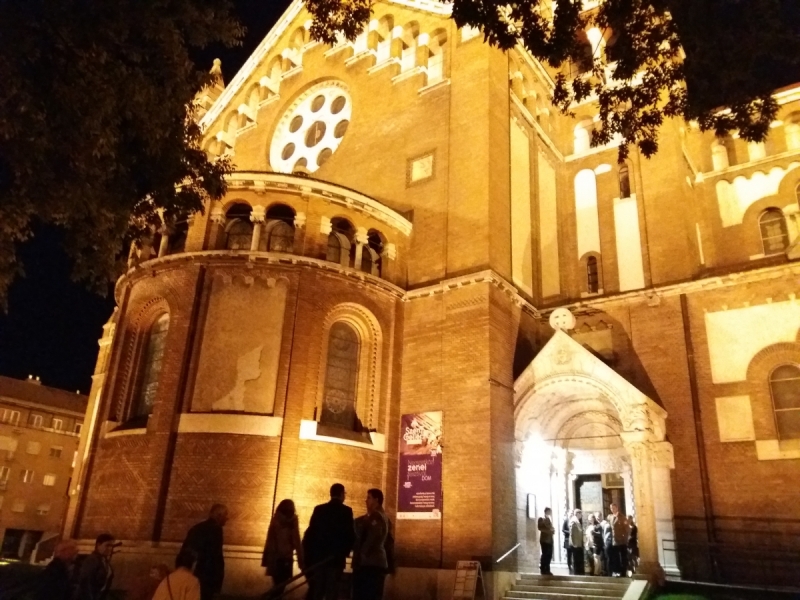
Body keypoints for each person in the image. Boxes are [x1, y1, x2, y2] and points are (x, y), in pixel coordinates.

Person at [302, 483, 355, 600]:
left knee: (318, 591)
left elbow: (311, 533)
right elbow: (350, 535)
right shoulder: (346, 511)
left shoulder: (319, 509)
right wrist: (344, 552)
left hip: (319, 559)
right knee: (332, 592)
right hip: (336, 560)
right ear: (341, 494)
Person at [181, 503, 228, 600]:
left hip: (193, 572)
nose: (227, 518)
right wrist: (217, 578)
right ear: (218, 515)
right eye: (225, 515)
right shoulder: (215, 530)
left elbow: (186, 550)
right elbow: (214, 556)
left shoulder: (197, 528)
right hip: (207, 576)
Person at [262, 499, 304, 598]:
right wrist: (301, 561)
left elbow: (270, 541)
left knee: (277, 587)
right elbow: (296, 541)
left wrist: (267, 559)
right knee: (280, 588)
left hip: (275, 558)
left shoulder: (275, 520)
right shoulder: (292, 522)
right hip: (286, 558)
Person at [352, 488, 389, 600]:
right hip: (374, 562)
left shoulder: (376, 516)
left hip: (371, 563)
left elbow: (373, 536)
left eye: (369, 498)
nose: (366, 500)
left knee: (366, 594)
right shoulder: (380, 516)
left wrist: (362, 553)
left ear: (376, 500)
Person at [76, 533, 116, 600]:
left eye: (111, 546)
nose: (110, 548)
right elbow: (86, 582)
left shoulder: (104, 560)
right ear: (98, 545)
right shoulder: (92, 560)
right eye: (107, 545)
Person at [608, 503, 629, 577]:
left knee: (623, 557)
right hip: (614, 541)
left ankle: (623, 572)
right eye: (611, 508)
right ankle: (617, 571)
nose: (612, 510)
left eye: (614, 508)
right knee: (616, 557)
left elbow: (627, 530)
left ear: (617, 508)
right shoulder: (610, 517)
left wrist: (625, 539)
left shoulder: (622, 517)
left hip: (622, 541)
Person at [536, 507, 555, 575]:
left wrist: (552, 530)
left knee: (549, 555)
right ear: (546, 511)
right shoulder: (541, 518)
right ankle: (543, 568)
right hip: (544, 540)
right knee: (545, 554)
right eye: (549, 511)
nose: (550, 513)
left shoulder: (549, 519)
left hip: (550, 540)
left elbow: (550, 527)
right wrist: (549, 531)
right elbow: (540, 528)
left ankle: (547, 568)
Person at [568, 509, 584, 576]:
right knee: (576, 559)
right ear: (577, 513)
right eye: (580, 514)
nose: (581, 515)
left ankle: (578, 572)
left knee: (578, 558)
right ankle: (576, 572)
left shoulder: (577, 520)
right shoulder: (573, 521)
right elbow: (572, 532)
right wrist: (574, 543)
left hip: (578, 543)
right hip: (575, 544)